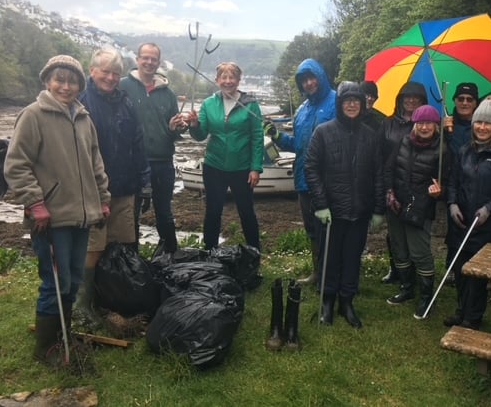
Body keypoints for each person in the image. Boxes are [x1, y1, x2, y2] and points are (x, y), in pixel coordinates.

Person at [4, 55, 110, 363]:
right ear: (47, 81)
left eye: (72, 81)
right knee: (55, 282)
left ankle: (62, 334)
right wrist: (35, 202)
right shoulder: (33, 115)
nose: (66, 86)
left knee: (74, 279)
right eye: (59, 80)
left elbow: (96, 164)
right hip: (49, 218)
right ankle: (46, 348)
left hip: (82, 216)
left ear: (80, 84)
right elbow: (16, 164)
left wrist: (102, 199)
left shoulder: (83, 118)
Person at [77, 47, 151, 327]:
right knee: (93, 247)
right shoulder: (80, 101)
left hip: (124, 186)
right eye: (105, 71)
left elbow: (138, 143)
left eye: (116, 73)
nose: (110, 77)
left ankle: (115, 298)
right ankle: (83, 304)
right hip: (93, 189)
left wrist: (145, 183)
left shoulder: (126, 102)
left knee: (123, 243)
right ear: (92, 70)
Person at [305, 82, 385, 328]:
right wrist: (320, 204)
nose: (351, 104)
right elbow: (311, 168)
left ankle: (347, 301)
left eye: (356, 101)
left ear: (363, 105)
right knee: (329, 258)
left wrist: (379, 209)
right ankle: (327, 301)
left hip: (359, 211)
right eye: (347, 101)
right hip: (331, 210)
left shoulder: (371, 135)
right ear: (340, 105)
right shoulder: (323, 132)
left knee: (352, 258)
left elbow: (379, 173)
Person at [444, 99, 491, 329]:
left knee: (476, 274)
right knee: (460, 269)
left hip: (488, 224)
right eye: (478, 122)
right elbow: (453, 182)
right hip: (462, 221)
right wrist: (452, 204)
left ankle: (473, 317)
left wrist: (489, 207)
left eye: (487, 123)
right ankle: (461, 311)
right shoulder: (465, 150)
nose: (482, 127)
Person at [263, 59, 336, 285]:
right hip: (304, 179)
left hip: (330, 179)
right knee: (312, 229)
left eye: (312, 77)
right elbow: (298, 145)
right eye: (304, 80)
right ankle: (318, 273)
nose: (309, 83)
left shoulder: (337, 100)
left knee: (332, 230)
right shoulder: (302, 110)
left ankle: (334, 274)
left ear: (321, 76)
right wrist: (277, 137)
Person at [186, 62, 263, 251]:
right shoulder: (208, 104)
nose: (228, 81)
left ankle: (254, 251)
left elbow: (257, 136)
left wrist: (255, 168)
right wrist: (194, 125)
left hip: (242, 168)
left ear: (238, 80)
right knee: (213, 211)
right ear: (217, 80)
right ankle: (209, 252)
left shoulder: (250, 104)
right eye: (224, 77)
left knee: (246, 212)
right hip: (214, 167)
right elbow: (201, 135)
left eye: (232, 77)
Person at [120, 43, 187, 253]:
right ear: (137, 60)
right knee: (131, 214)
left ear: (158, 62)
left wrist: (176, 128)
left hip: (163, 163)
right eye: (145, 58)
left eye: (153, 59)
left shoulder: (168, 94)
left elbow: (174, 133)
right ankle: (131, 259)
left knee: (164, 213)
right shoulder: (122, 87)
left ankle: (170, 255)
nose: (149, 62)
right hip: (132, 163)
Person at [384, 104, 449, 319]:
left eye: (429, 123)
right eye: (420, 122)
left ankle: (426, 297)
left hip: (420, 207)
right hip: (396, 203)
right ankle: (407, 289)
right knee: (399, 248)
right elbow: (390, 169)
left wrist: (440, 191)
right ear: (414, 124)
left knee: (419, 253)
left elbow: (449, 182)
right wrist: (390, 192)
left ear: (435, 125)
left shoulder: (442, 149)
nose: (424, 127)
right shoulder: (403, 142)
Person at [378, 81, 428, 284]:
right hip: (391, 185)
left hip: (417, 187)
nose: (411, 100)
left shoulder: (427, 125)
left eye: (416, 97)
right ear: (400, 99)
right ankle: (397, 271)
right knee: (394, 233)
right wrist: (384, 187)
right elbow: (379, 155)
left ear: (422, 101)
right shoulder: (387, 124)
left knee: (415, 233)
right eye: (407, 96)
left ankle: (417, 273)